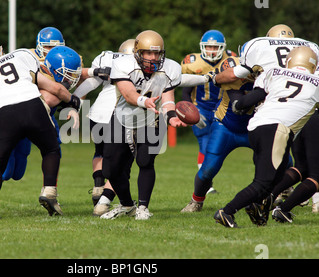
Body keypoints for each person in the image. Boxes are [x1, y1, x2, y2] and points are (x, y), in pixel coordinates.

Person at [214, 46, 319, 228]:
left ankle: (256, 207)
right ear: (313, 65)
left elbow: (250, 99)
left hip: (257, 126)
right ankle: (227, 211)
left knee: (277, 175)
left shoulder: (274, 72)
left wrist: (238, 103)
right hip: (279, 129)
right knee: (263, 182)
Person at [0, 41, 81, 219]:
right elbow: (54, 88)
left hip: (4, 113)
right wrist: (73, 101)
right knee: (51, 149)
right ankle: (49, 191)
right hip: (33, 106)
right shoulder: (20, 56)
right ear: (0, 52)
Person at [100, 30, 187, 220]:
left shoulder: (170, 68)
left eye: (157, 53)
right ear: (139, 53)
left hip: (151, 118)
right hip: (123, 117)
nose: (153, 58)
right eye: (149, 53)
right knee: (110, 169)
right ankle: (126, 205)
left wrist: (171, 115)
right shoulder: (123, 64)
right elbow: (128, 94)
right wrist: (143, 101)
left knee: (145, 161)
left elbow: (167, 99)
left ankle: (143, 207)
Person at [267, 48, 319, 219]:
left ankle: (267, 196)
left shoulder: (315, 67)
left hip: (298, 117)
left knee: (301, 167)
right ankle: (314, 203)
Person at [180, 56, 255, 213]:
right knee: (209, 168)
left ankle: (281, 192)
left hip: (254, 125)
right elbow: (237, 104)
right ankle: (197, 200)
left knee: (282, 160)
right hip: (225, 125)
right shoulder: (231, 65)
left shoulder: (269, 72)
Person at [72, 38, 135, 216]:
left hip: (97, 115)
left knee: (100, 152)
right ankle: (104, 201)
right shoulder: (136, 65)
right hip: (119, 116)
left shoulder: (107, 57)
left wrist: (73, 99)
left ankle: (98, 185)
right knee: (123, 164)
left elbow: (92, 82)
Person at [180, 30, 238, 195]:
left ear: (222, 48)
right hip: (201, 108)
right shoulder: (192, 62)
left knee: (217, 145)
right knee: (205, 142)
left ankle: (206, 182)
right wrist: (189, 111)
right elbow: (186, 91)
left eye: (215, 47)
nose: (212, 50)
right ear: (202, 47)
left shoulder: (231, 60)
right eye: (209, 47)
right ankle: (207, 185)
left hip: (222, 107)